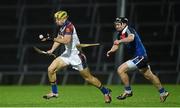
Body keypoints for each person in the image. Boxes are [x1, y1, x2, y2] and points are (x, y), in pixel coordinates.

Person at [42, 10, 112, 103]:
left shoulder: (69, 27)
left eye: (58, 19)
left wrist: (50, 38)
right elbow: (59, 39)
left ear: (64, 18)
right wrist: (51, 50)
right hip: (67, 54)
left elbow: (66, 41)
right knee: (51, 69)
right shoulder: (62, 27)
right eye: (56, 19)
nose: (56, 21)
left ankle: (105, 91)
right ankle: (54, 92)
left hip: (77, 56)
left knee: (88, 78)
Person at [106, 17, 169, 102]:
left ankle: (128, 90)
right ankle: (163, 92)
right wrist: (111, 50)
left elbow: (131, 38)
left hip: (140, 56)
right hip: (138, 56)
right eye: (115, 24)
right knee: (149, 75)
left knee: (121, 69)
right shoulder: (120, 34)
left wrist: (120, 41)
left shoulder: (129, 30)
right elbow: (116, 44)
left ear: (124, 24)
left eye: (118, 24)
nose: (116, 26)